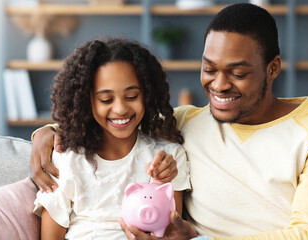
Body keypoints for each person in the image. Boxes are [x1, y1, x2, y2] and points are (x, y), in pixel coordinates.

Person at [31, 3, 308, 240]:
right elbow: (117, 121)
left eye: (237, 73)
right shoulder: (187, 120)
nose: (219, 85)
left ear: (273, 68)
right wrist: (47, 132)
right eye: (209, 69)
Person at [32, 38, 191, 239]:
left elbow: (170, 231)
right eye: (106, 99)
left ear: (148, 95)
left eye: (132, 96)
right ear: (86, 101)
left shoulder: (168, 157)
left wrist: (162, 181)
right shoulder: (67, 158)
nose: (120, 109)